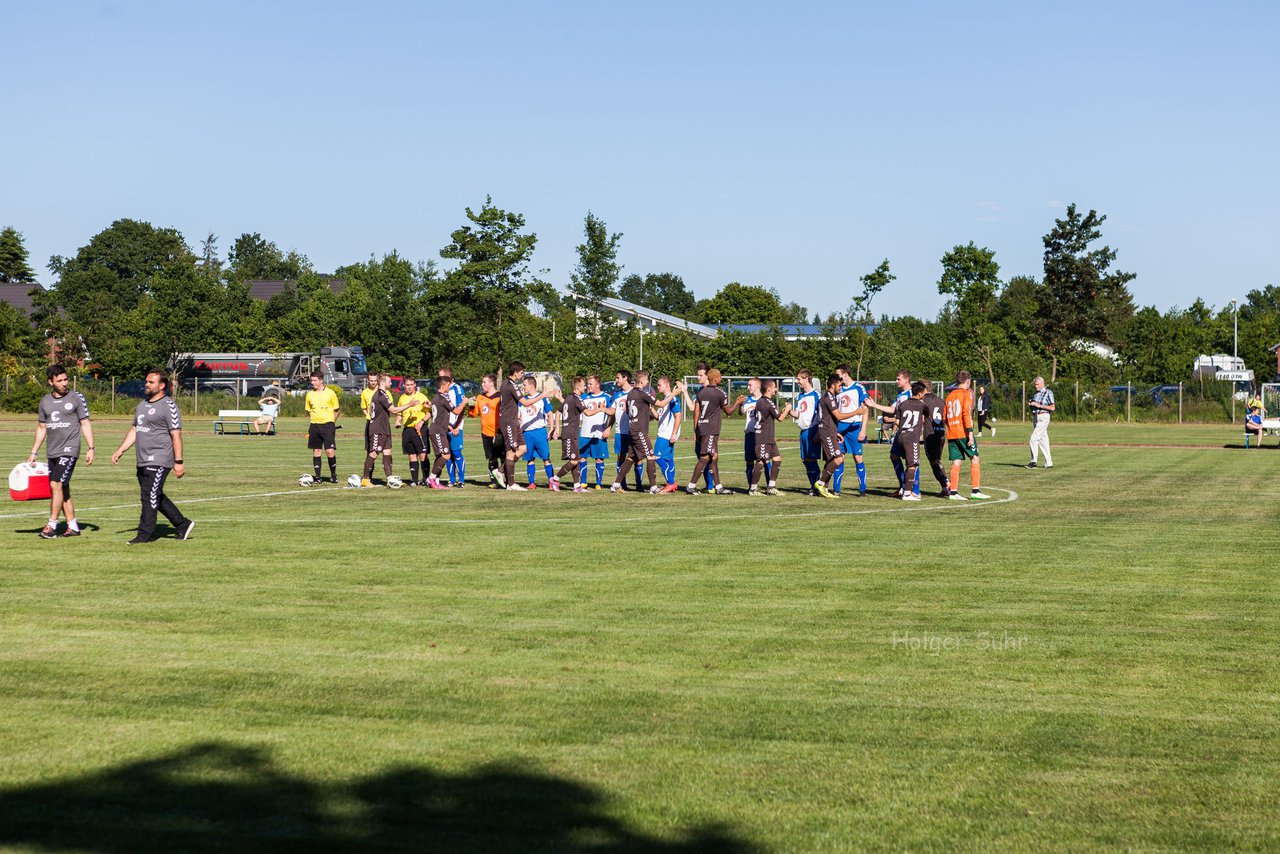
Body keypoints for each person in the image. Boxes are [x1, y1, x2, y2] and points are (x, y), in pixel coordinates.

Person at [111, 368, 194, 543]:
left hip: (160, 458)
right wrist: (121, 450)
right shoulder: (142, 405)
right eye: (146, 381)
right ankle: (182, 524)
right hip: (142, 458)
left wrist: (178, 462)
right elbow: (135, 429)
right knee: (154, 494)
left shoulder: (168, 405)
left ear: (162, 385)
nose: (146, 384)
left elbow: (176, 434)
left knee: (148, 496)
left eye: (151, 382)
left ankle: (144, 535)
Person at [30, 364, 94, 538]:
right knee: (62, 489)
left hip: (69, 449)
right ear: (51, 382)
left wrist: (91, 448)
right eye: (60, 380)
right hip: (52, 451)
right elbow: (42, 427)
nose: (65, 383)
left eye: (66, 379)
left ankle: (52, 526)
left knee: (55, 484)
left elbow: (85, 423)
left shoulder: (76, 397)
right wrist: (34, 451)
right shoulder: (45, 401)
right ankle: (73, 526)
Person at [687, 367, 736, 495]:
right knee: (705, 457)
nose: (721, 378)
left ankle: (718, 487)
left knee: (714, 457)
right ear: (715, 378)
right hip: (711, 429)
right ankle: (691, 486)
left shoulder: (701, 392)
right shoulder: (720, 393)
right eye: (720, 376)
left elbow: (697, 411)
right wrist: (738, 402)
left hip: (702, 427)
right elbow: (729, 411)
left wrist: (696, 430)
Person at [610, 369, 659, 493]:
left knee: (631, 458)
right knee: (651, 456)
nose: (648, 382)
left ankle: (616, 484)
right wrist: (674, 393)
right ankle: (653, 487)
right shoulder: (641, 393)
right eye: (647, 380)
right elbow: (662, 403)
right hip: (640, 431)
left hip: (632, 430)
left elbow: (627, 410)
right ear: (642, 380)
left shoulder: (630, 394)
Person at [944, 370, 990, 500]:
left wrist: (950, 427)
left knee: (956, 461)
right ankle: (975, 491)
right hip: (963, 431)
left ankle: (953, 493)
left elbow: (944, 416)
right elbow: (965, 413)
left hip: (952, 433)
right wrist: (970, 432)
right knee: (975, 458)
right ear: (968, 381)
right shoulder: (967, 394)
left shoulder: (949, 396)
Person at [748, 380, 791, 496]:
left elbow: (771, 415)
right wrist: (788, 409)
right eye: (774, 387)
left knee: (777, 459)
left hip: (769, 437)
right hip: (763, 437)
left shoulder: (760, 401)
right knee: (761, 462)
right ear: (769, 389)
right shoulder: (767, 402)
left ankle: (771, 487)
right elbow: (780, 418)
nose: (775, 389)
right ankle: (753, 489)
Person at [834, 365, 869, 496]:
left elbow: (865, 409)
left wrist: (863, 430)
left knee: (857, 457)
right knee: (839, 457)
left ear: (845, 374)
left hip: (854, 427)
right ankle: (836, 490)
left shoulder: (858, 388)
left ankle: (862, 490)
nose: (837, 377)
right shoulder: (839, 389)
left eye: (838, 374)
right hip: (840, 427)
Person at [891, 381, 930, 501]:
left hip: (900, 435)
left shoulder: (903, 404)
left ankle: (904, 488)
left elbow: (898, 420)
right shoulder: (922, 405)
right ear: (920, 394)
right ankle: (908, 493)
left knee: (896, 457)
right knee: (912, 464)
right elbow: (927, 415)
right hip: (912, 437)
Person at [812, 376, 847, 499]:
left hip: (829, 431)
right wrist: (858, 412)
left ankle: (825, 489)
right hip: (826, 432)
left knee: (830, 460)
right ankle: (820, 483)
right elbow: (839, 416)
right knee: (838, 458)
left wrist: (835, 432)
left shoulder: (829, 397)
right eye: (839, 385)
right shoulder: (828, 398)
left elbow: (828, 418)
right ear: (833, 385)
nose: (841, 388)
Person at [520, 375, 557, 489]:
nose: (523, 387)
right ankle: (531, 482)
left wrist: (551, 428)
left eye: (525, 385)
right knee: (530, 458)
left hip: (540, 432)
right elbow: (519, 417)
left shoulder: (543, 398)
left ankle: (551, 482)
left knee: (546, 458)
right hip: (527, 433)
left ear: (531, 386)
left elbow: (550, 414)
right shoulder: (522, 400)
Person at [303, 371, 340, 483]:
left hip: (328, 425)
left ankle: (333, 475)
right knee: (316, 451)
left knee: (330, 451)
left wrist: (332, 423)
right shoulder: (309, 394)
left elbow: (336, 410)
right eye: (311, 380)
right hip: (314, 426)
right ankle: (318, 477)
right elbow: (309, 411)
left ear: (321, 380)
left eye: (314, 380)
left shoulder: (330, 393)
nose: (312, 382)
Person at [469, 374, 505, 488]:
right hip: (486, 432)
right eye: (482, 382)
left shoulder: (500, 396)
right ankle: (494, 481)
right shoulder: (480, 397)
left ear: (491, 383)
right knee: (491, 458)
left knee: (503, 456)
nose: (483, 384)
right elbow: (473, 414)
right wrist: (470, 406)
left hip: (499, 432)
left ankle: (508, 480)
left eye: (485, 382)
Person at [391, 377, 428, 485]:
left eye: (411, 384)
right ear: (404, 386)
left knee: (422, 454)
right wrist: (398, 421)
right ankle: (415, 481)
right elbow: (400, 413)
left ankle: (426, 479)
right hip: (408, 429)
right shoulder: (402, 398)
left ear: (415, 385)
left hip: (420, 428)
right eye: (407, 385)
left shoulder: (421, 397)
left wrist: (421, 422)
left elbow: (430, 412)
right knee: (411, 455)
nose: (409, 387)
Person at [361, 374, 395, 487]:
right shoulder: (381, 395)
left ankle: (390, 478)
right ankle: (366, 479)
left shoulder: (384, 394)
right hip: (377, 429)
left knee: (387, 452)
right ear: (383, 383)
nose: (391, 383)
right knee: (374, 452)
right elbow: (393, 410)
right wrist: (410, 404)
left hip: (385, 428)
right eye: (389, 381)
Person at [919, 379, 952, 498]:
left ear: (923, 389)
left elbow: (921, 417)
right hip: (941, 433)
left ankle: (947, 484)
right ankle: (944, 487)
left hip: (930, 434)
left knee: (934, 461)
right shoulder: (941, 400)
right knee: (936, 460)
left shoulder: (922, 401)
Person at [578, 375, 611, 490]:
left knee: (599, 458)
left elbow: (612, 413)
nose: (588, 386)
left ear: (598, 384)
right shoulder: (583, 397)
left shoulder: (606, 397)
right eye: (587, 384)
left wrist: (608, 428)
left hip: (599, 433)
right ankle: (583, 482)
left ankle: (598, 483)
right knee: (582, 457)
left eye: (591, 384)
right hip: (584, 432)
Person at [793, 370, 822, 493]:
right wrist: (789, 411)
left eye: (799, 379)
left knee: (812, 459)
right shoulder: (800, 396)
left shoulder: (816, 395)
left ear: (806, 379)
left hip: (812, 429)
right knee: (805, 460)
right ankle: (813, 485)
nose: (797, 381)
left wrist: (818, 432)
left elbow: (821, 414)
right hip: (803, 431)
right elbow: (797, 413)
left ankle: (817, 486)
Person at [653, 376, 684, 493]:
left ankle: (671, 483)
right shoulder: (665, 400)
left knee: (657, 456)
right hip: (664, 433)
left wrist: (674, 433)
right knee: (668, 459)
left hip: (666, 434)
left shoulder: (673, 399)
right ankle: (670, 484)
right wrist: (651, 409)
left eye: (659, 384)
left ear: (666, 385)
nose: (658, 387)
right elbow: (658, 418)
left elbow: (678, 416)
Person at [439, 367, 469, 487]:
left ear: (448, 378)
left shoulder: (457, 388)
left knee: (456, 453)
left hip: (455, 426)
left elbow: (461, 408)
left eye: (441, 376)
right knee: (447, 454)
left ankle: (461, 480)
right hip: (445, 427)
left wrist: (458, 426)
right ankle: (451, 480)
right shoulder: (442, 390)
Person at [425, 376, 455, 488]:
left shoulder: (436, 398)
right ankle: (431, 478)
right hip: (438, 431)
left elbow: (439, 415)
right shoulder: (443, 398)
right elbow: (456, 411)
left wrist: (448, 425)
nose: (449, 387)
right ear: (442, 386)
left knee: (439, 456)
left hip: (437, 429)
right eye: (448, 385)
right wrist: (465, 402)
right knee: (446, 455)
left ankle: (436, 481)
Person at [1027, 376, 1055, 468]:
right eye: (1035, 385)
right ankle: (1048, 462)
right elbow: (1035, 405)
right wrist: (1031, 404)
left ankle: (1033, 461)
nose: (1035, 386)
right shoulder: (1036, 393)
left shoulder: (1048, 392)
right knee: (1043, 440)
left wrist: (1039, 405)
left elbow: (1052, 407)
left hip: (1044, 416)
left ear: (1042, 384)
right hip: (1036, 417)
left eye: (1037, 384)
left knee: (1034, 438)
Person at [359, 374, 379, 454]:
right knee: (369, 447)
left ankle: (387, 466)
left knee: (385, 448)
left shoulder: (383, 391)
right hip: (370, 422)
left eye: (375, 380)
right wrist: (368, 415)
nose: (373, 382)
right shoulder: (365, 392)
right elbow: (363, 407)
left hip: (381, 423)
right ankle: (370, 466)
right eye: (371, 381)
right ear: (368, 380)